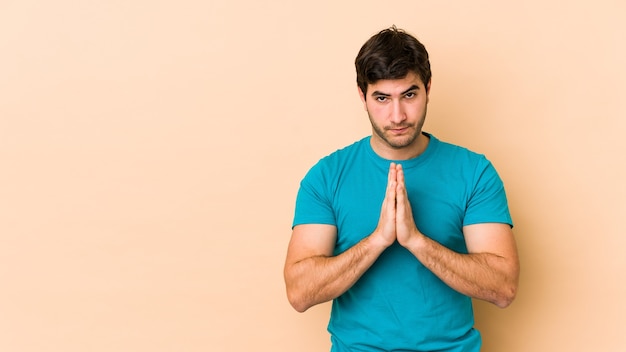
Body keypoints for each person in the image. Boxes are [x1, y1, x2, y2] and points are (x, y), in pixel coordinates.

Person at [283, 26, 520, 352]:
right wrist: (378, 240)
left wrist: (416, 242)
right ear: (362, 95)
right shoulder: (326, 176)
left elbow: (503, 288)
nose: (397, 115)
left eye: (409, 95)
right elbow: (299, 293)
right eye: (382, 98)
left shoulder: (474, 172)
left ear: (428, 88)